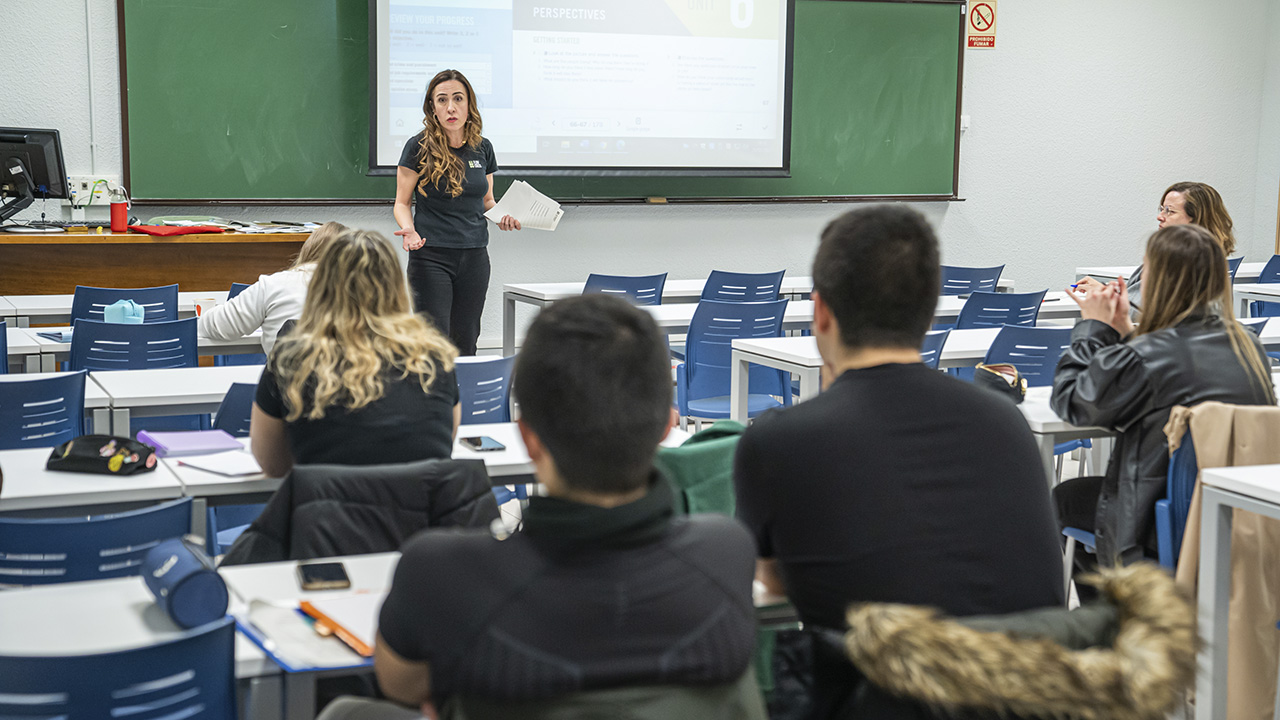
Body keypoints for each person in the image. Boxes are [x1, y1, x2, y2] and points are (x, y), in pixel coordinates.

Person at [733, 205, 1064, 719]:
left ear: (820, 311)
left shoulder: (781, 441)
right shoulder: (1006, 422)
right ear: (929, 315)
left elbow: (777, 585)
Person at [365, 294, 761, 718]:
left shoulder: (440, 571)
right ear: (668, 425)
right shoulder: (726, 552)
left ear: (529, 438)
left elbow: (400, 683)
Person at [1052, 223, 1273, 567]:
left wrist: (1092, 328)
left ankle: (1113, 613)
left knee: (1061, 499)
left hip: (1156, 521)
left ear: (1156, 281)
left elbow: (1072, 403)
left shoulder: (1149, 355)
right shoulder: (1249, 347)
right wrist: (1127, 334)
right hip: (1240, 519)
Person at [250, 228, 460, 478]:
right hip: (420, 515)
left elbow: (273, 466)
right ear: (396, 287)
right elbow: (443, 447)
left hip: (327, 514)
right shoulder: (434, 358)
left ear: (321, 286)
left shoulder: (292, 358)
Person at [393, 69, 521, 356]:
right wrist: (409, 230)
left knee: (466, 341)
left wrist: (504, 217)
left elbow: (487, 200)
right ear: (432, 108)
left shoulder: (483, 148)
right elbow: (401, 203)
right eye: (442, 100)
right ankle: (433, 401)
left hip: (475, 256)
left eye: (458, 99)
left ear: (469, 105)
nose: (450, 107)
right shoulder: (418, 147)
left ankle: (465, 401)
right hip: (431, 256)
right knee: (434, 344)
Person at [1078, 181, 1235, 317]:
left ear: (1196, 220)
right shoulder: (1212, 263)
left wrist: (1106, 297)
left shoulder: (1177, 266)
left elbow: (1144, 317)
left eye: (1169, 211)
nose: (1160, 216)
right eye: (1161, 209)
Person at [197, 221, 347, 354]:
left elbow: (216, 326)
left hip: (287, 382)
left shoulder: (274, 285)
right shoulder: (365, 290)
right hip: (352, 382)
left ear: (308, 249)